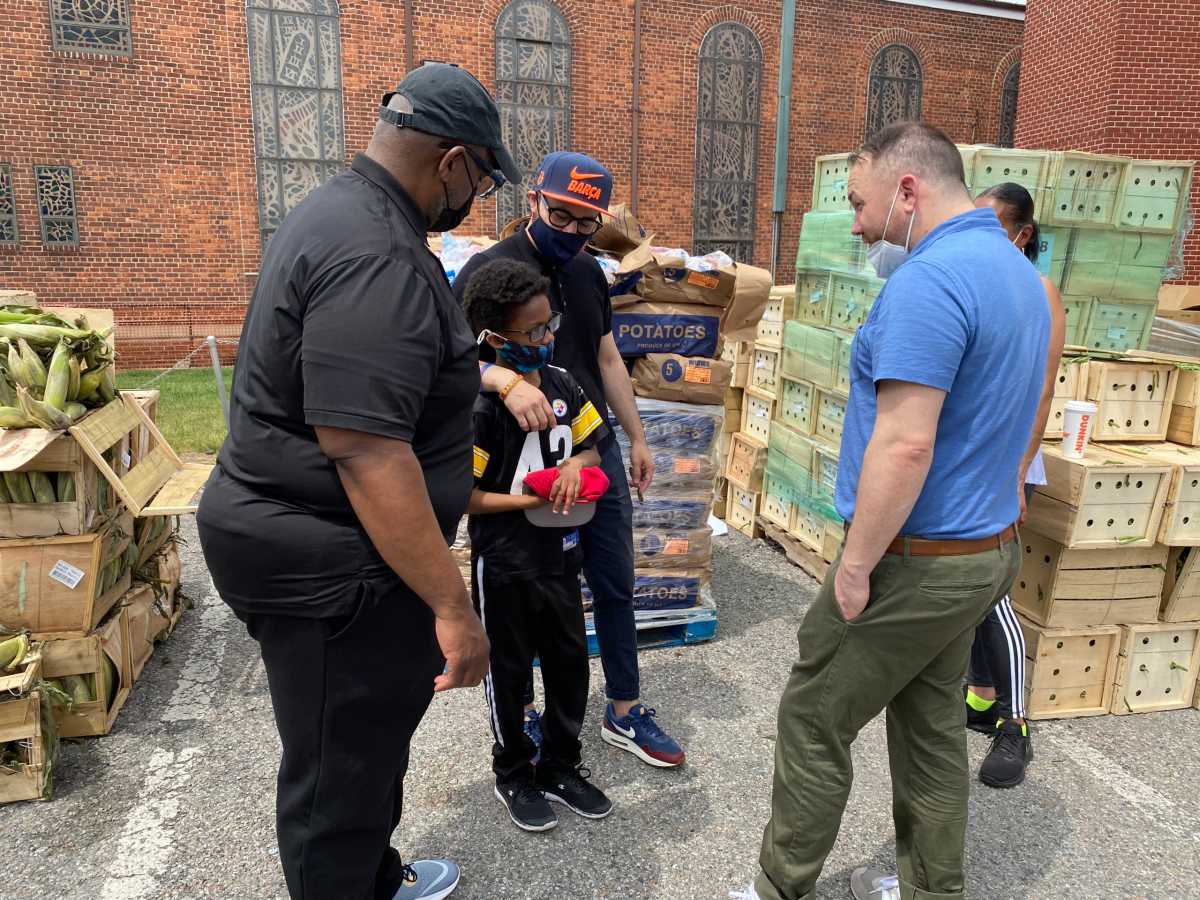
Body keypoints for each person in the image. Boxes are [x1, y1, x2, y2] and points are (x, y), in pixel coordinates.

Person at [196, 62, 522, 900]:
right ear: (451, 160)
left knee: (368, 737)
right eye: (481, 180)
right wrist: (455, 609)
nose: (475, 199)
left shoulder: (342, 212)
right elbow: (366, 450)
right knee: (337, 774)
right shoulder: (376, 251)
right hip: (327, 557)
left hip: (321, 541)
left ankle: (376, 879)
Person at [732, 122, 1050, 900]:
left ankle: (780, 889)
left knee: (813, 720)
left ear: (908, 190)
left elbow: (907, 445)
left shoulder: (931, 283)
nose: (861, 226)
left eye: (860, 203)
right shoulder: (1018, 275)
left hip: (916, 558)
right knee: (932, 727)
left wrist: (859, 565)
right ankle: (932, 889)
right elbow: (1012, 405)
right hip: (982, 550)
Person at [453, 151, 685, 768]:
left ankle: (625, 709)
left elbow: (607, 358)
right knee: (524, 592)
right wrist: (502, 383)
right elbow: (441, 361)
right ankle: (523, 712)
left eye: (588, 223)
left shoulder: (589, 276)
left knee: (614, 580)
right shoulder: (487, 272)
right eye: (562, 215)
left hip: (589, 449)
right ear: (534, 200)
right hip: (516, 458)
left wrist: (635, 437)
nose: (573, 233)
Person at [463, 257, 615, 833]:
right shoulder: (482, 408)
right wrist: (528, 501)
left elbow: (594, 444)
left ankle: (560, 763)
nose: (547, 337)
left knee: (570, 663)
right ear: (496, 338)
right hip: (504, 564)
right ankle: (514, 773)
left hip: (560, 557)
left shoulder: (562, 384)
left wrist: (577, 463)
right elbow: (465, 498)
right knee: (508, 674)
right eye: (534, 331)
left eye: (550, 325)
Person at [963, 182, 1066, 789]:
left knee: (995, 590)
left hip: (1006, 466)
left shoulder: (1039, 291)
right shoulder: (978, 283)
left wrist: (1016, 472)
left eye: (993, 226)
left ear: (1022, 235)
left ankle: (1016, 725)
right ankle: (978, 699)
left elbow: (1043, 392)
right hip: (968, 464)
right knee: (968, 588)